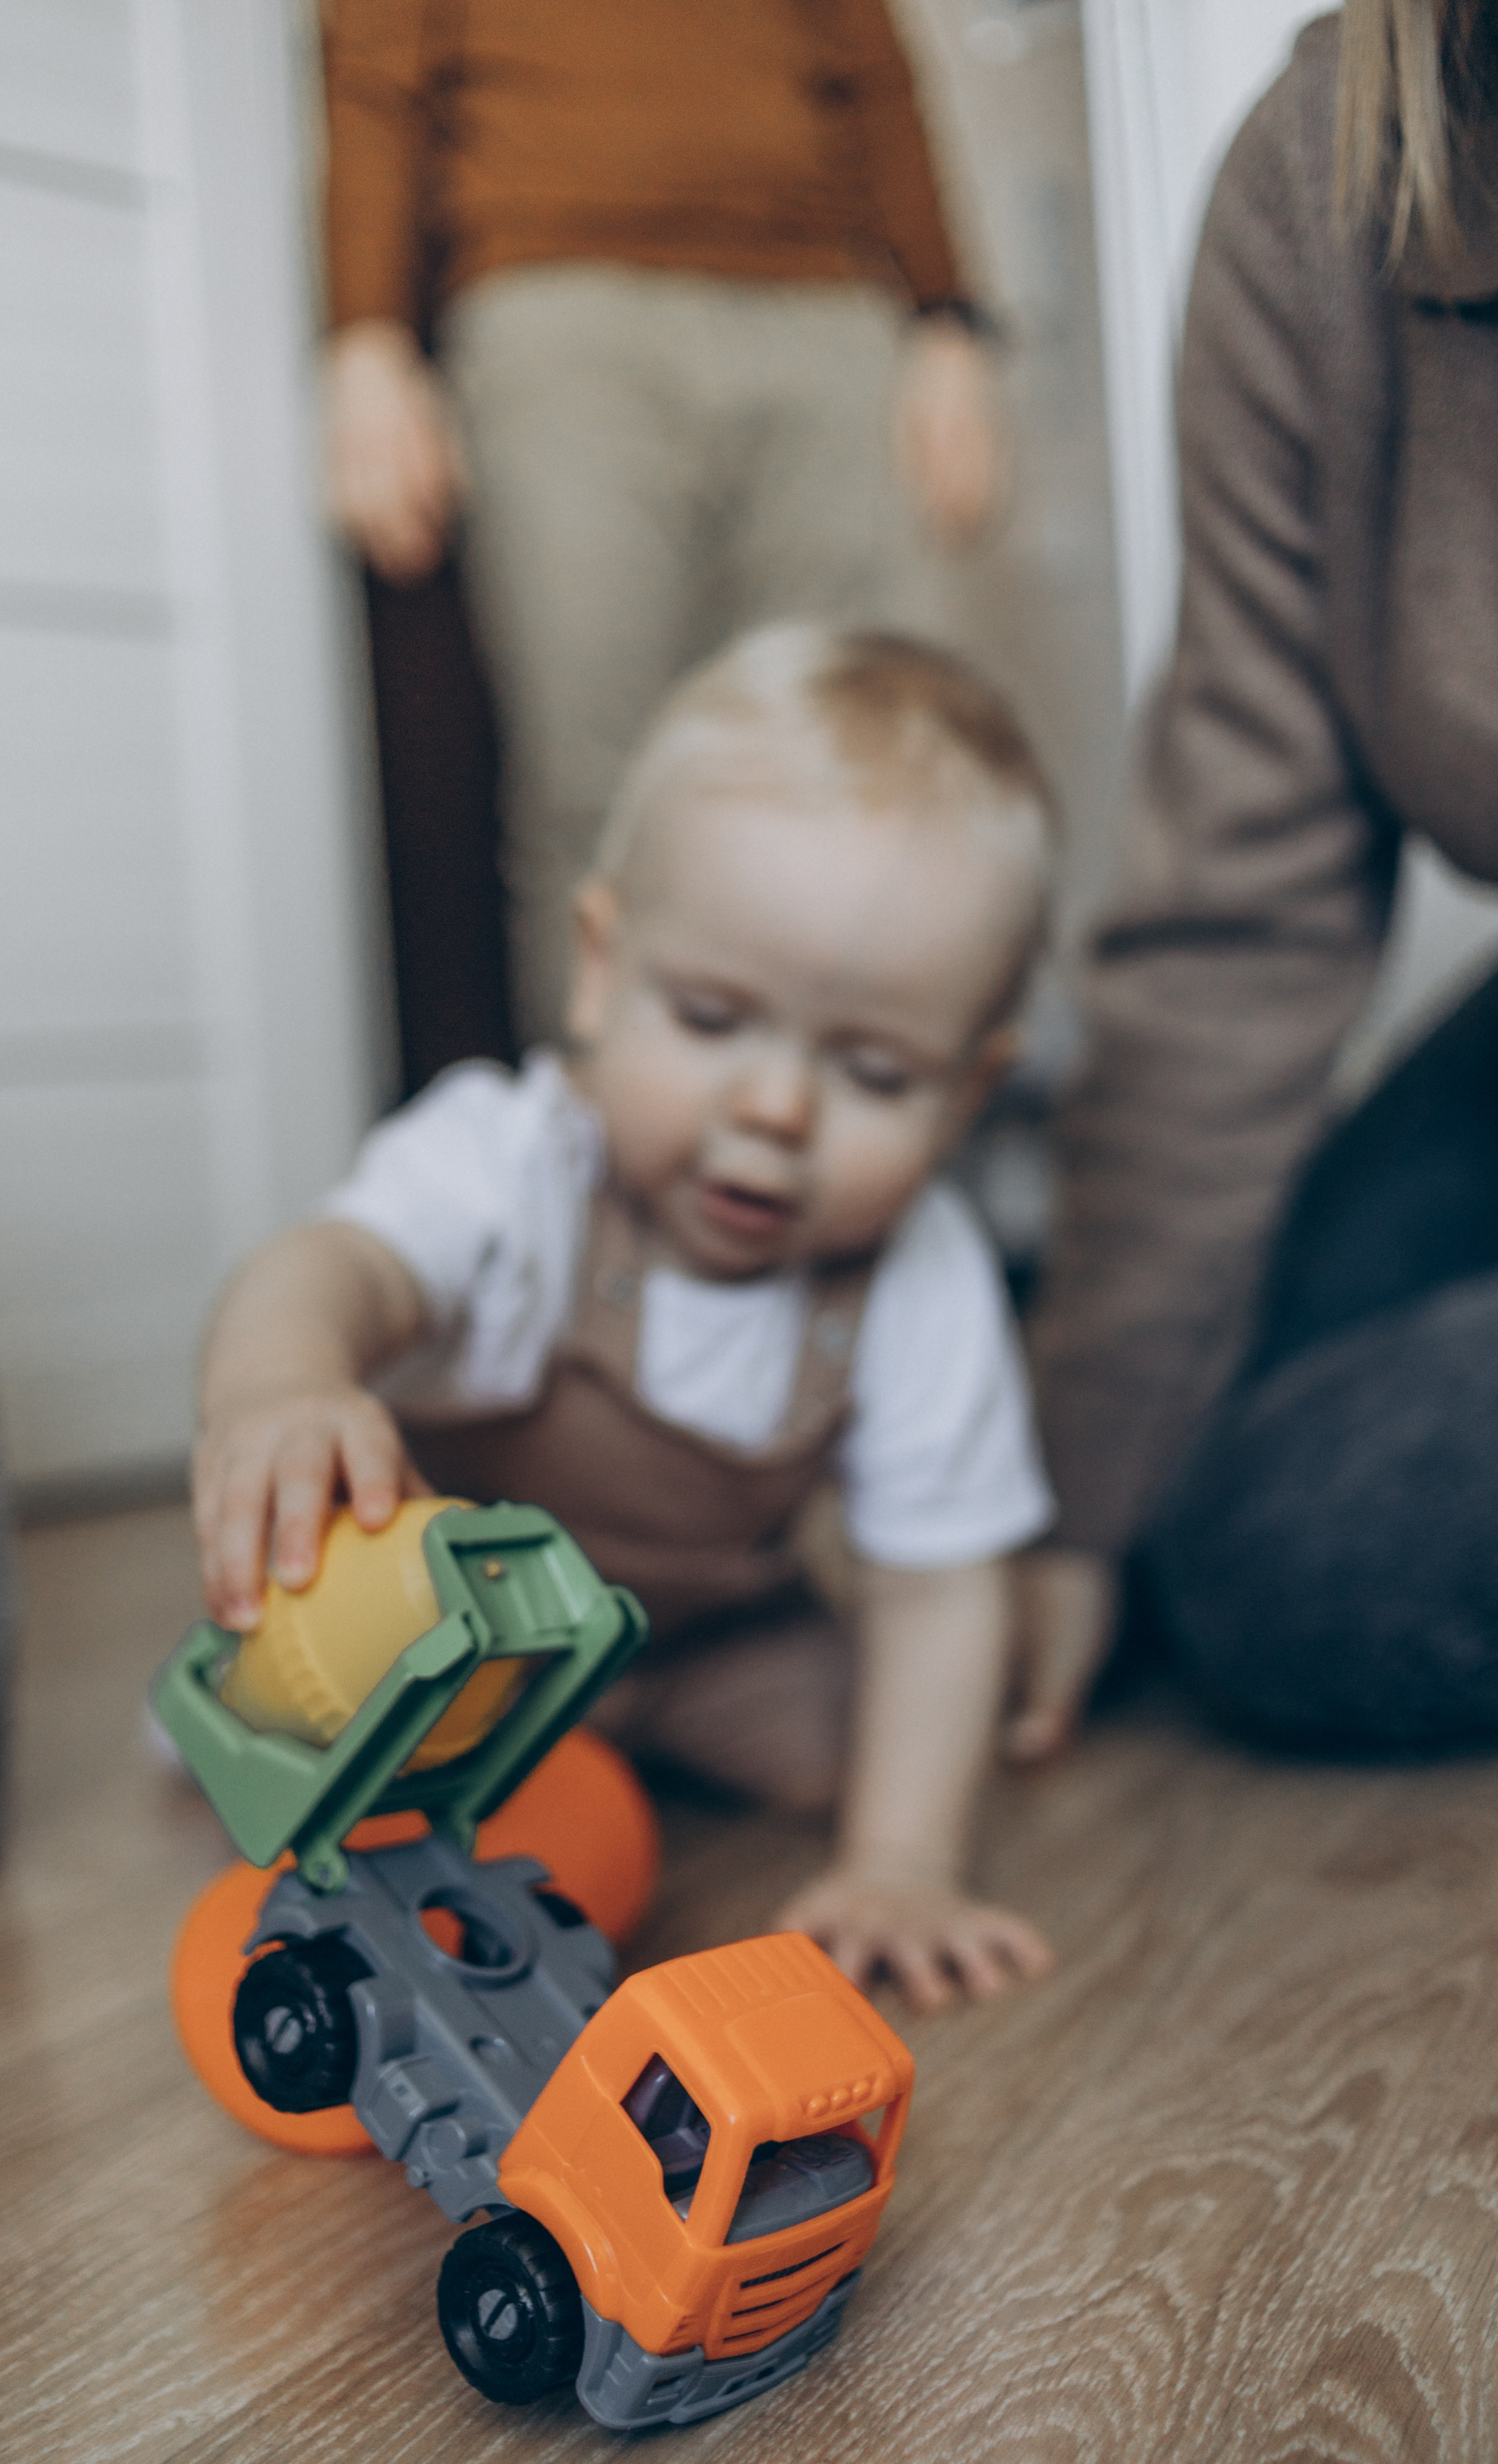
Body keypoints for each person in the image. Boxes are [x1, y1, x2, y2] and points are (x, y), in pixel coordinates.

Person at [195, 625, 1057, 2010]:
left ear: (966, 1094)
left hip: (708, 1642)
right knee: (317, 1717)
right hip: (447, 1646)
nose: (774, 1111)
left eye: (876, 1073)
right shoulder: (514, 1159)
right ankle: (339, 1717)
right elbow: (329, 1266)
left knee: (887, 1734)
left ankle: (621, 1742)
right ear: (602, 969)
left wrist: (900, 1856)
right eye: (712, 1018)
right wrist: (280, 1386)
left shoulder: (918, 1270)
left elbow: (937, 1581)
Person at [1010, 1, 1498, 1761]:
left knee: (1308, 1561)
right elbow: (1241, 914)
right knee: (1208, 1486)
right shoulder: (1322, 182)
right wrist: (1069, 1507)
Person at [320, 0, 1004, 1047]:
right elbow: (373, 65)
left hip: (826, 309)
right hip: (558, 307)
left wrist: (947, 316)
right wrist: (365, 337)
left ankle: (824, 1183)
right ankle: (605, 1185)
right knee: (599, 809)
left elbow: (873, 57)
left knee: (844, 788)